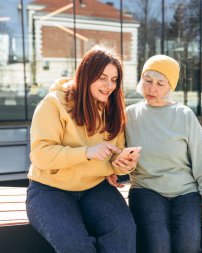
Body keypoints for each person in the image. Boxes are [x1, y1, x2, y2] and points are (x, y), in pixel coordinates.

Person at [26, 45, 138, 253]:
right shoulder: (54, 104)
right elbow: (40, 155)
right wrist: (86, 152)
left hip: (95, 187)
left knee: (124, 232)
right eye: (102, 77)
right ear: (86, 75)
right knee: (76, 245)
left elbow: (114, 156)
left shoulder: (112, 108)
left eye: (114, 79)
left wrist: (122, 166)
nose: (109, 85)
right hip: (50, 190)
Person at [108, 55, 202, 253]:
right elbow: (117, 154)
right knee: (158, 247)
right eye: (148, 81)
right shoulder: (130, 115)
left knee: (188, 246)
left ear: (170, 87)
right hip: (146, 189)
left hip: (185, 191)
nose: (152, 89)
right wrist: (118, 165)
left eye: (160, 83)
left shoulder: (184, 115)